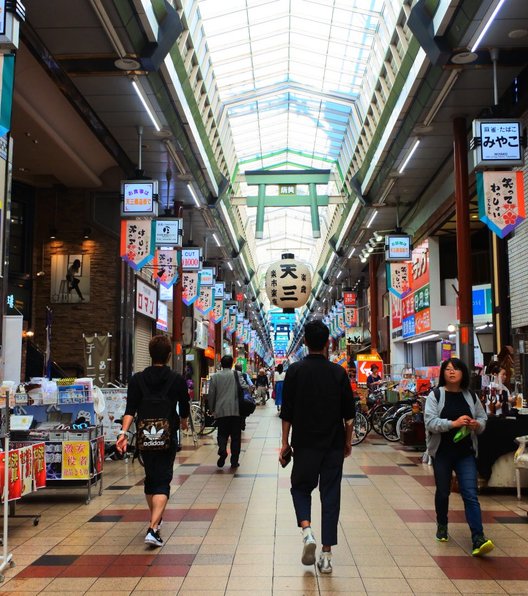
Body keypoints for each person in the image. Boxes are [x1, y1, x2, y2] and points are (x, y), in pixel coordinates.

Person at [280, 320, 355, 574]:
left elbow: (287, 413)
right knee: (330, 495)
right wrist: (347, 442)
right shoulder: (339, 373)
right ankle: (326, 555)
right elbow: (350, 416)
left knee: (300, 488)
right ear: (327, 343)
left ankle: (307, 531)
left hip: (304, 444)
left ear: (305, 343)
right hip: (333, 444)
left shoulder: (295, 372)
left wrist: (284, 443)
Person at [116, 335, 189, 547]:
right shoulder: (177, 380)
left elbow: (130, 409)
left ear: (149, 355)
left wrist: (123, 433)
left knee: (150, 479)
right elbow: (184, 408)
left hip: (145, 437)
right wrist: (183, 423)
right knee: (163, 480)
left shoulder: (137, 380)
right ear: (168, 356)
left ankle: (155, 521)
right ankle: (153, 528)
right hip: (166, 437)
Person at [424, 357, 494, 556]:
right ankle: (442, 524)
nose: (451, 372)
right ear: (442, 374)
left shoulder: (470, 396)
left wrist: (476, 425)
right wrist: (453, 424)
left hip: (466, 454)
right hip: (442, 453)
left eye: (455, 369)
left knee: (470, 494)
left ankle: (478, 538)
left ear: (463, 373)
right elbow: (430, 422)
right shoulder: (435, 395)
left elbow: (482, 418)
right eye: (447, 369)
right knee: (443, 492)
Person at [208, 355, 248, 468]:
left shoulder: (215, 377)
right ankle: (234, 461)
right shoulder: (237, 374)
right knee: (235, 437)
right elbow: (245, 387)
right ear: (232, 364)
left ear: (221, 364)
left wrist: (211, 409)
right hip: (236, 411)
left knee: (222, 433)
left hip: (221, 411)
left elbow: (211, 395)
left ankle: (222, 449)